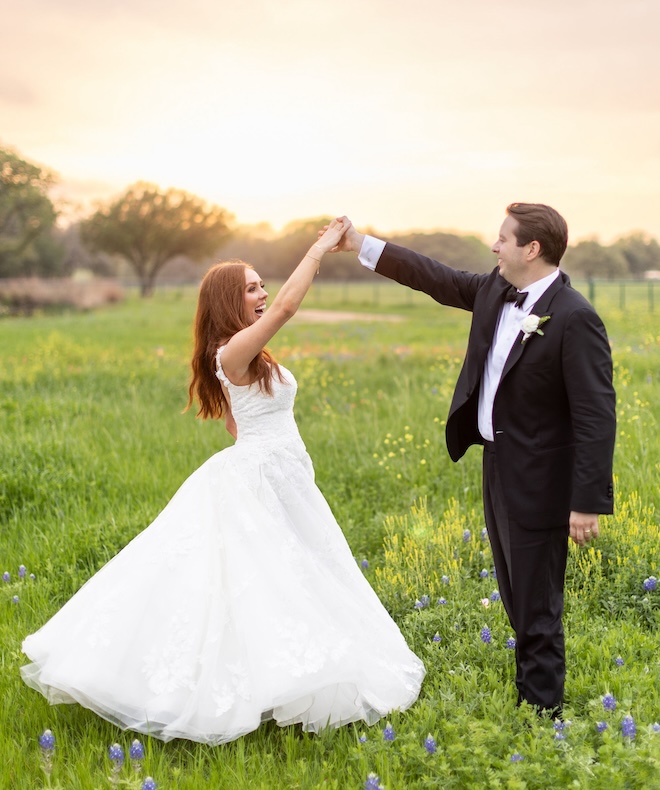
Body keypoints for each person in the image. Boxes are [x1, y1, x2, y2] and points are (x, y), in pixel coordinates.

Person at [20, 218, 425, 745]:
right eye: (252, 287)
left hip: (278, 474)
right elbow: (287, 309)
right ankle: (244, 684)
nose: (263, 294)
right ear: (229, 301)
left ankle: (287, 674)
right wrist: (320, 249)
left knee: (290, 575)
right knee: (252, 580)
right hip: (257, 479)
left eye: (261, 284)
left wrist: (284, 461)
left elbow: (241, 422)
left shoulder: (247, 354)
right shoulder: (231, 353)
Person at [331, 204, 616, 716]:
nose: (494, 246)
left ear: (532, 249)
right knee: (514, 592)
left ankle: (541, 714)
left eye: (503, 239)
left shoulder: (575, 317)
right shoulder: (493, 291)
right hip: (498, 464)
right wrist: (361, 244)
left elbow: (597, 417)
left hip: (541, 479)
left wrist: (586, 502)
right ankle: (533, 704)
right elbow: (434, 277)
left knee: (536, 601)